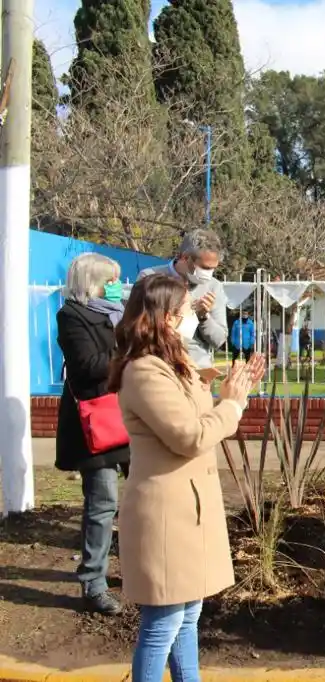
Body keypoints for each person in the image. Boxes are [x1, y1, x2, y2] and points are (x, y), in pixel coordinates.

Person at [108, 274, 264, 682]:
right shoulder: (144, 372)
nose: (191, 318)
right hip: (166, 514)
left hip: (188, 508)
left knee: (187, 614)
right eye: (183, 313)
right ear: (162, 319)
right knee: (162, 623)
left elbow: (200, 416)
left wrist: (234, 393)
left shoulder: (173, 363)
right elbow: (191, 436)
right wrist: (229, 405)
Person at [55, 253, 131, 616]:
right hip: (96, 425)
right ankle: (93, 583)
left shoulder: (118, 312)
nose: (116, 286)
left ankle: (137, 567)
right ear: (94, 282)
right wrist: (131, 355)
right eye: (111, 280)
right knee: (103, 504)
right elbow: (87, 367)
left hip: (130, 415)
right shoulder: (72, 315)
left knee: (144, 496)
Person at [138, 229, 227, 369]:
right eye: (204, 267)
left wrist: (204, 317)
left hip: (197, 369)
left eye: (213, 269)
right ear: (185, 257)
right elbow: (137, 326)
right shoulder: (150, 277)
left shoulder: (213, 286)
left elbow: (219, 340)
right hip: (157, 364)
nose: (208, 274)